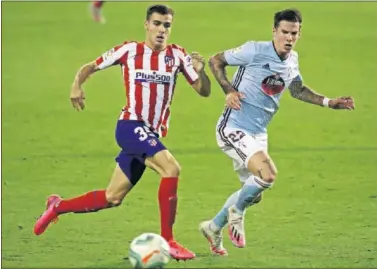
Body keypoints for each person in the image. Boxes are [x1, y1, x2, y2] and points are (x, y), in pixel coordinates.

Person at [34, 4, 211, 261]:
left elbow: (203, 90)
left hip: (149, 133)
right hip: (130, 126)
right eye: (157, 24)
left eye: (167, 25)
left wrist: (201, 69)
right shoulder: (129, 50)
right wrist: (76, 85)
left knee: (112, 197)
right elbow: (90, 66)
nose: (162, 30)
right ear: (146, 25)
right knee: (171, 169)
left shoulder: (178, 56)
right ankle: (168, 241)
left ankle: (58, 206)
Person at [199, 8, 355, 256]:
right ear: (274, 31)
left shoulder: (292, 60)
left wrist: (329, 102)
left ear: (299, 33)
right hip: (234, 127)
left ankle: (213, 226)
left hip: (258, 133)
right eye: (284, 32)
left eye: (294, 33)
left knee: (253, 192)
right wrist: (228, 90)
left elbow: (297, 90)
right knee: (267, 174)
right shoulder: (254, 50)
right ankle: (236, 213)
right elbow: (215, 60)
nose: (289, 38)